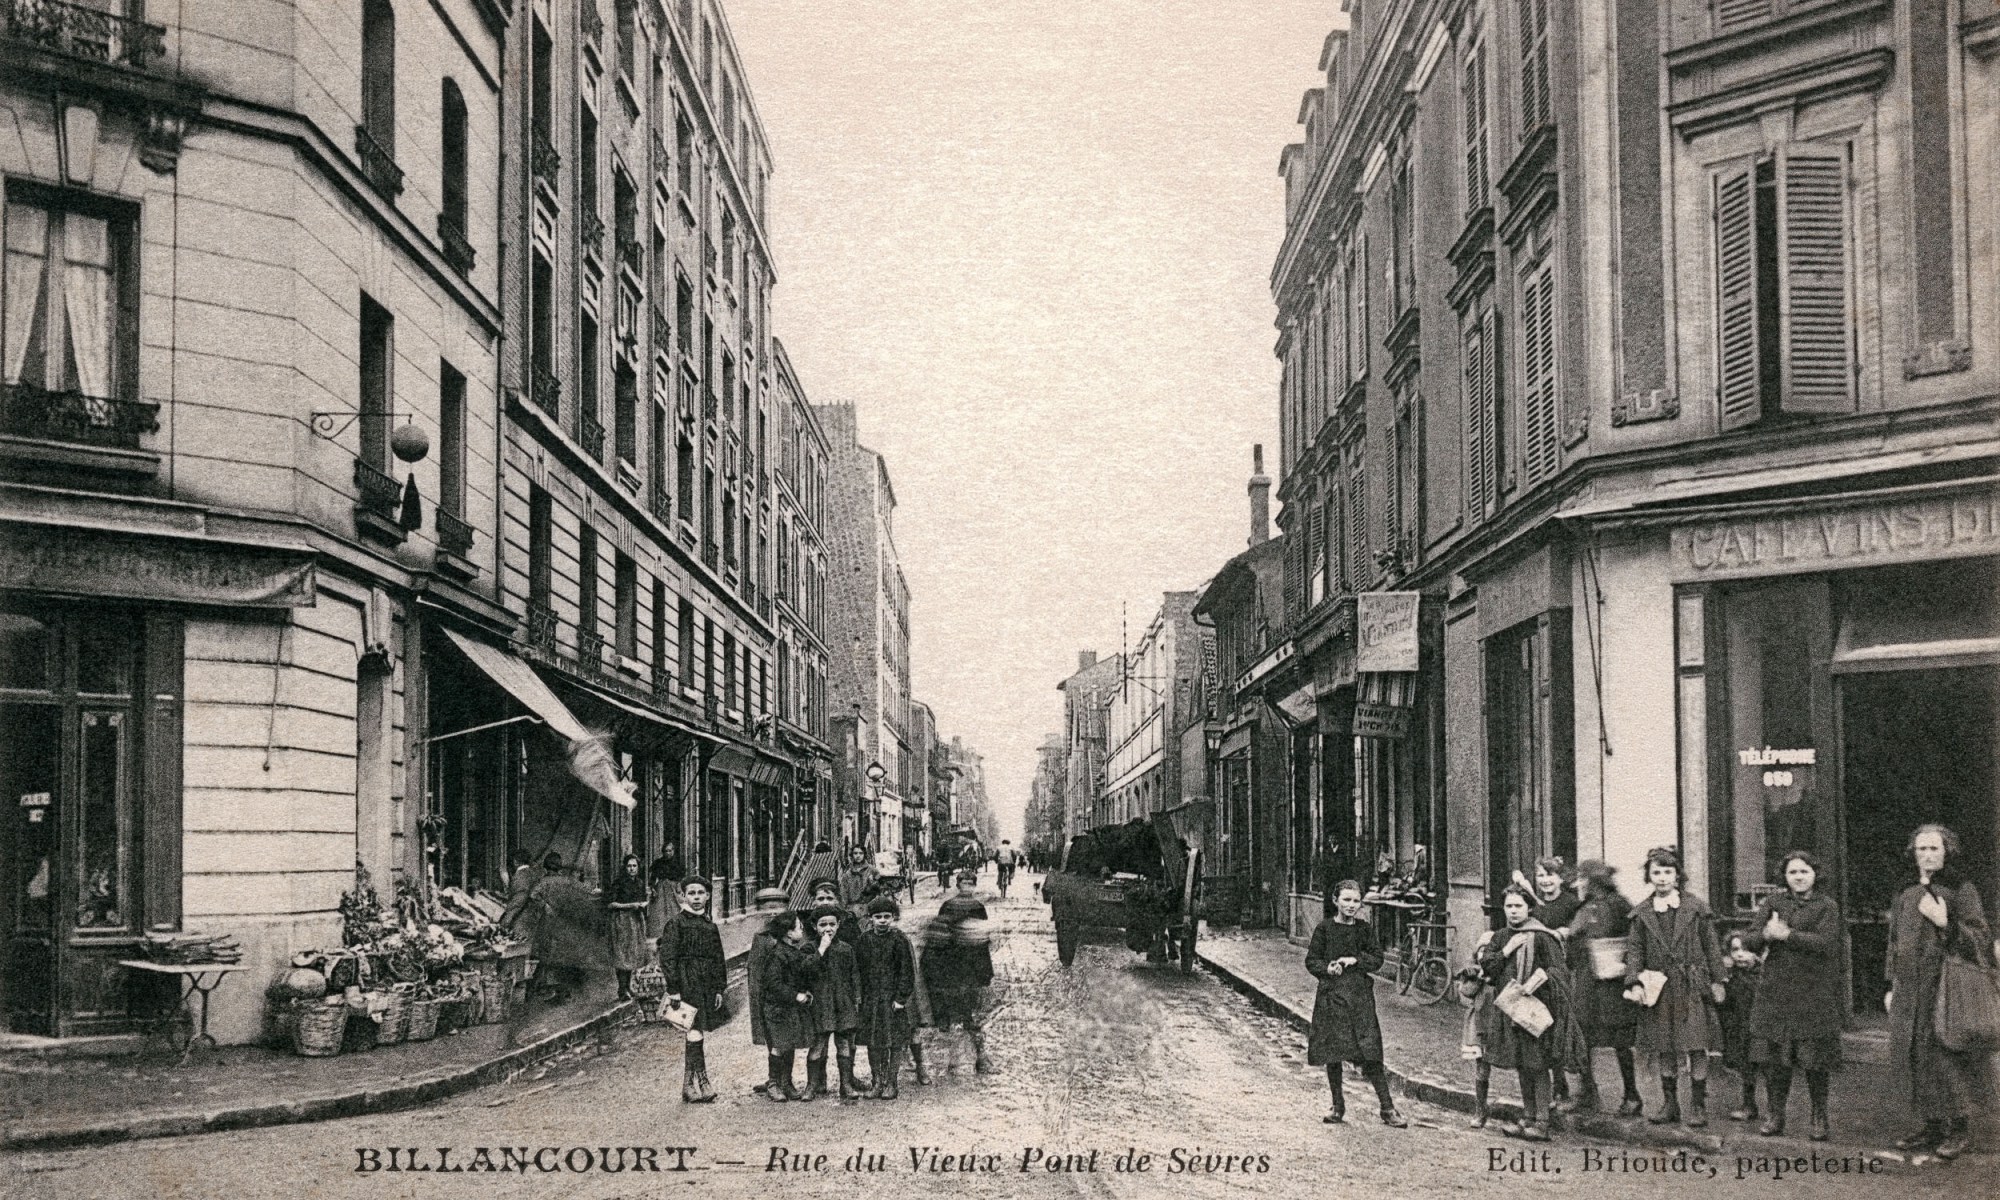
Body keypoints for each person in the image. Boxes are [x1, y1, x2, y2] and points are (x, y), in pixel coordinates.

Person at [1885, 824, 1990, 1160]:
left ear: (1947, 852)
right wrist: (1891, 984)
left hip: (1945, 987)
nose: (1928, 855)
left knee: (1947, 1055)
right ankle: (1931, 1125)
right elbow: (1894, 941)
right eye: (1922, 849)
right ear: (1913, 853)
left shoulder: (1960, 888)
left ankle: (1959, 1129)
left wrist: (1946, 923)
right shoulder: (1906, 890)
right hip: (1909, 988)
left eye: (1934, 849)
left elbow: (1980, 938)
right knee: (1917, 1056)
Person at [1734, 850, 1842, 1139]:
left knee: (1815, 1060)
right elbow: (1749, 939)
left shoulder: (1827, 906)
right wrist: (1765, 935)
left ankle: (1819, 1117)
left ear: (1815, 874)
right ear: (1784, 876)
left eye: (1804, 871)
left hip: (1813, 992)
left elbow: (1827, 943)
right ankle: (1775, 1115)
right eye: (1793, 872)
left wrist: (1788, 936)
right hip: (1776, 992)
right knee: (1775, 1059)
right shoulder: (1773, 903)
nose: (1799, 877)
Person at [1623, 847, 1725, 1127]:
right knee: (1664, 1046)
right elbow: (1635, 951)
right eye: (1656, 872)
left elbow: (1711, 946)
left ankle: (1698, 1105)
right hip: (1659, 989)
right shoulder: (1642, 913)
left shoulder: (1695, 908)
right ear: (1649, 877)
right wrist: (1634, 981)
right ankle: (1670, 1104)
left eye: (1668, 872)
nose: (1662, 877)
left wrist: (1718, 980)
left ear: (1677, 875)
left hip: (1691, 987)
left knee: (1696, 1044)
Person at [1472, 886, 1583, 1141]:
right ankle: (1528, 1116)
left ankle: (1542, 1122)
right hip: (1510, 1010)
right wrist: (1507, 950)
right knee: (1522, 1064)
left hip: (1536, 1010)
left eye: (1518, 906)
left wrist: (1537, 982)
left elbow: (1559, 971)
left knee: (1538, 1064)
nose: (1513, 911)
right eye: (1509, 906)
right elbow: (1487, 966)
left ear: (1529, 908)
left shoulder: (1542, 936)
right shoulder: (1501, 936)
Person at [1304, 880, 1407, 1128]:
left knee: (1371, 1051)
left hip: (1360, 999)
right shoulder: (1324, 929)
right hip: (1332, 997)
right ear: (1335, 901)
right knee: (1333, 1052)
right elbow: (1311, 961)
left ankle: (1387, 1108)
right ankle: (1337, 1106)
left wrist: (1355, 960)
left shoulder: (1364, 929)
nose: (1351, 905)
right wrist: (1327, 968)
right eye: (1346, 900)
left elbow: (1377, 959)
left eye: (1356, 901)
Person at [1558, 860, 1642, 1116]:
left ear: (1594, 881)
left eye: (1583, 879)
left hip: (1612, 982)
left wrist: (1623, 960)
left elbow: (1635, 939)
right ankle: (1587, 1093)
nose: (1579, 884)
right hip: (1587, 980)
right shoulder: (1584, 906)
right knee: (1584, 1036)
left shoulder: (1619, 904)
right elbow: (1575, 941)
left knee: (1620, 1039)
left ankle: (1632, 1095)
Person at [657, 878, 727, 1103]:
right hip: (686, 982)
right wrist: (674, 989)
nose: (696, 897)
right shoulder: (676, 924)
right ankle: (700, 1082)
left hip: (705, 983)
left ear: (707, 896)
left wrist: (719, 988)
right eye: (691, 893)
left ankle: (690, 1084)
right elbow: (668, 958)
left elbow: (718, 959)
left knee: (697, 1032)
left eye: (700, 893)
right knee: (694, 1031)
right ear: (683, 896)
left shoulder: (710, 926)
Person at [923, 869, 997, 1075]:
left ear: (974, 886)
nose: (967, 887)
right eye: (964, 883)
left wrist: (985, 970)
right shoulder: (949, 905)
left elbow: (982, 938)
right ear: (958, 885)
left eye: (970, 883)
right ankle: (955, 1061)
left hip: (972, 964)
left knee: (973, 1013)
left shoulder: (978, 907)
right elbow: (940, 933)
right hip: (954, 963)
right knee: (957, 1011)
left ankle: (980, 1058)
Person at [855, 894, 916, 1099]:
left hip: (892, 1001)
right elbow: (858, 971)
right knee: (873, 1042)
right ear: (870, 918)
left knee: (894, 1041)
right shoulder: (864, 940)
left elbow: (907, 971)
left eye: (886, 916)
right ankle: (877, 1082)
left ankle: (892, 1082)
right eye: (878, 917)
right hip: (871, 1000)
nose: (882, 920)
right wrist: (859, 997)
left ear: (893, 917)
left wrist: (901, 999)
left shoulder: (899, 940)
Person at [758, 912, 820, 1102]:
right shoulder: (777, 955)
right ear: (788, 933)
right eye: (799, 927)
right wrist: (795, 995)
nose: (802, 930)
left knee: (789, 1043)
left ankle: (786, 1082)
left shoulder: (793, 951)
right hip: (777, 1009)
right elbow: (774, 984)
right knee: (778, 1046)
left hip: (789, 1008)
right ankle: (773, 1084)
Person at [807, 903, 867, 1099]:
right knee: (818, 1045)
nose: (828, 929)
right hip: (821, 1005)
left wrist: (857, 998)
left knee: (844, 1043)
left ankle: (846, 1085)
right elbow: (805, 971)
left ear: (839, 925)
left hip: (843, 1003)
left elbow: (854, 974)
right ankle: (812, 1085)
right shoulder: (809, 948)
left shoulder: (846, 948)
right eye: (822, 925)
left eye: (832, 924)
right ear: (814, 926)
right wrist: (821, 949)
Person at [745, 886, 797, 1096]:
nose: (773, 914)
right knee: (774, 1039)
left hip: (788, 998)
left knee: (789, 1038)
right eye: (767, 909)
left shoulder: (791, 936)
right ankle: (774, 1081)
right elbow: (755, 974)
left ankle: (787, 1080)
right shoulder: (761, 938)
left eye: (778, 909)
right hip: (769, 1000)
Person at [1717, 930, 1762, 1124]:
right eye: (1735, 950)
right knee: (1746, 1068)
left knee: (1769, 1069)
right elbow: (1724, 1003)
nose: (1740, 954)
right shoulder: (1731, 976)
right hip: (1741, 1027)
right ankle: (1749, 1105)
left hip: (1761, 1027)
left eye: (1746, 950)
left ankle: (1775, 1110)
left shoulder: (1762, 974)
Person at [606, 854, 651, 1001]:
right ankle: (621, 989)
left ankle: (628, 987)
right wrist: (630, 905)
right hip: (622, 920)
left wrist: (644, 904)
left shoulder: (640, 883)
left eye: (634, 866)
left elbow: (642, 900)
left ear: (638, 868)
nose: (632, 869)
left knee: (632, 953)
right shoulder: (619, 883)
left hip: (636, 920)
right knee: (622, 954)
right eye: (629, 866)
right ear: (625, 868)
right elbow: (611, 904)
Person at [646, 853, 682, 939]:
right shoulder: (658, 863)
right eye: (666, 851)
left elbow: (680, 877)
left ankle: (673, 933)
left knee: (673, 909)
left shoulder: (677, 863)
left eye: (670, 850)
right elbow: (653, 878)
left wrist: (679, 886)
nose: (668, 853)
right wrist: (652, 888)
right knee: (659, 910)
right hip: (661, 889)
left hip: (672, 889)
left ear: (673, 851)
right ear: (663, 852)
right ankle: (659, 933)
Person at [839, 846, 879, 911]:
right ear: (852, 855)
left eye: (861, 853)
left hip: (870, 906)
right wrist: (844, 909)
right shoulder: (847, 874)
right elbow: (844, 894)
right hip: (852, 907)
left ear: (864, 855)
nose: (858, 856)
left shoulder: (872, 870)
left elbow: (879, 888)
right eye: (855, 853)